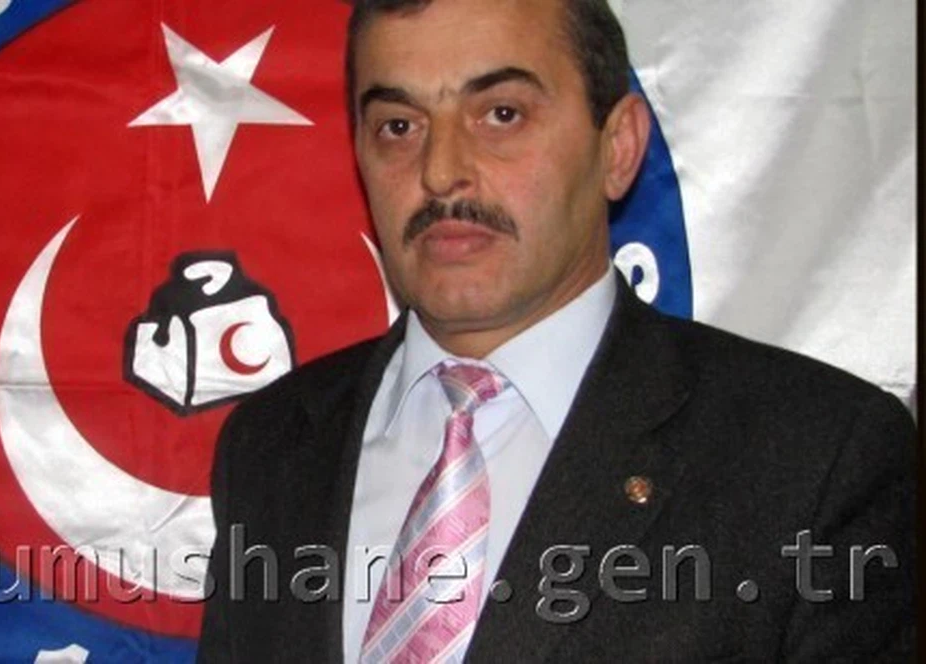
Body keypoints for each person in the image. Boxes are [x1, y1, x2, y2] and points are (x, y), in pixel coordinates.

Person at [196, 0, 918, 661]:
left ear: (618, 146)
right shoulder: (274, 444)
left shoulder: (816, 457)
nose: (441, 172)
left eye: (501, 114)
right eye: (399, 126)